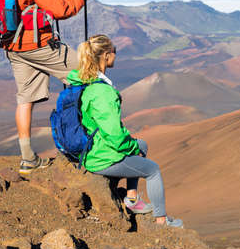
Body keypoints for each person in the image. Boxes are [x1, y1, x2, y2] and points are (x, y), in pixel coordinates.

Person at [4, 0, 91, 175]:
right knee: (89, 72)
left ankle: (27, 158)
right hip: (37, 43)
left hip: (13, 44)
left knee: (25, 99)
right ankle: (90, 144)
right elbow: (59, 9)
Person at [66, 34, 183, 227]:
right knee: (153, 170)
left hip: (92, 148)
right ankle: (162, 221)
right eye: (114, 52)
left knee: (141, 144)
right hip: (101, 157)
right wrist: (130, 147)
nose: (115, 55)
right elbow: (114, 135)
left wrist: (133, 145)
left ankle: (131, 198)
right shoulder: (102, 92)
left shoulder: (86, 82)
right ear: (105, 55)